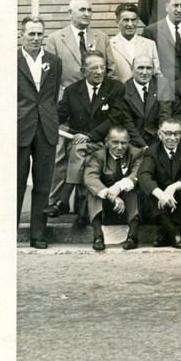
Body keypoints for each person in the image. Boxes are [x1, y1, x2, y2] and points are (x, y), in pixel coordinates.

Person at [52, 50, 133, 225]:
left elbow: (114, 118)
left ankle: (64, 200)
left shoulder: (116, 87)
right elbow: (59, 115)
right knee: (82, 155)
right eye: (94, 68)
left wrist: (88, 136)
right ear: (83, 71)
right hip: (82, 146)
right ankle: (83, 213)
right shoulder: (72, 90)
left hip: (106, 143)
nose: (99, 71)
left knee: (79, 151)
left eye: (102, 67)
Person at [17, 16, 62, 248]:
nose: (36, 38)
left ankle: (38, 235)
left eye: (39, 34)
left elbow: (51, 96)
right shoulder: (10, 59)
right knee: (15, 182)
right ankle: (8, 233)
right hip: (19, 129)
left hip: (46, 129)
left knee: (43, 184)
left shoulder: (54, 61)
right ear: (21, 35)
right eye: (31, 34)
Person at [137, 116, 181, 249]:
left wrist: (174, 187)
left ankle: (166, 233)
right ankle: (174, 233)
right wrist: (161, 194)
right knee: (149, 190)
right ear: (159, 134)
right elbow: (143, 174)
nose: (173, 138)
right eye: (168, 133)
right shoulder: (152, 151)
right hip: (160, 202)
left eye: (177, 133)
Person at [83, 126, 143, 251]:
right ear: (107, 142)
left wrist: (118, 187)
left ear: (129, 142)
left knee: (132, 189)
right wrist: (111, 195)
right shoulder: (98, 156)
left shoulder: (136, 154)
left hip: (128, 206)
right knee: (93, 191)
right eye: (115, 142)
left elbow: (136, 174)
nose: (120, 147)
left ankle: (132, 236)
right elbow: (90, 178)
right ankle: (98, 236)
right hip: (105, 207)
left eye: (123, 143)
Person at [44, 0, 109, 94]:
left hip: (97, 98)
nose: (87, 14)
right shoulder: (55, 39)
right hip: (68, 99)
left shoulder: (102, 38)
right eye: (82, 10)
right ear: (70, 13)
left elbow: (112, 71)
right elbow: (50, 75)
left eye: (89, 10)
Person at [124, 54, 173, 148]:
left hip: (157, 138)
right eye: (140, 68)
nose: (145, 72)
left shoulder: (162, 84)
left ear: (153, 70)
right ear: (132, 69)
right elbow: (128, 124)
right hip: (134, 141)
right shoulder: (124, 90)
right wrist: (143, 146)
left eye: (149, 68)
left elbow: (165, 115)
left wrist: (160, 143)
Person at [106, 2, 159, 83]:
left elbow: (157, 73)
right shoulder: (109, 45)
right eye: (126, 20)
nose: (130, 24)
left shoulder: (150, 44)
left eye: (133, 20)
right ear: (117, 22)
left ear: (137, 21)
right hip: (119, 93)